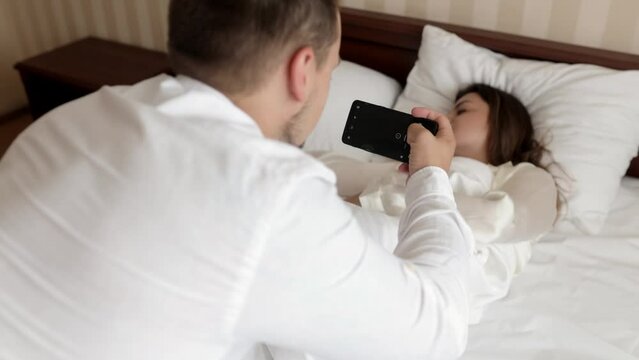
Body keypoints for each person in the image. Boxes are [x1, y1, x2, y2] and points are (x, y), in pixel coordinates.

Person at [0, 1, 475, 359]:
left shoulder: (64, 121)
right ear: (302, 71)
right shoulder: (273, 195)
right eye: (332, 69)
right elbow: (439, 332)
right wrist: (432, 176)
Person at [323, 83, 558, 323]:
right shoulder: (404, 169)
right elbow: (335, 169)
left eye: (462, 110)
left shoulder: (522, 176)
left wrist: (422, 180)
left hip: (441, 266)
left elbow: (500, 218)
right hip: (375, 250)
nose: (446, 117)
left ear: (502, 122)